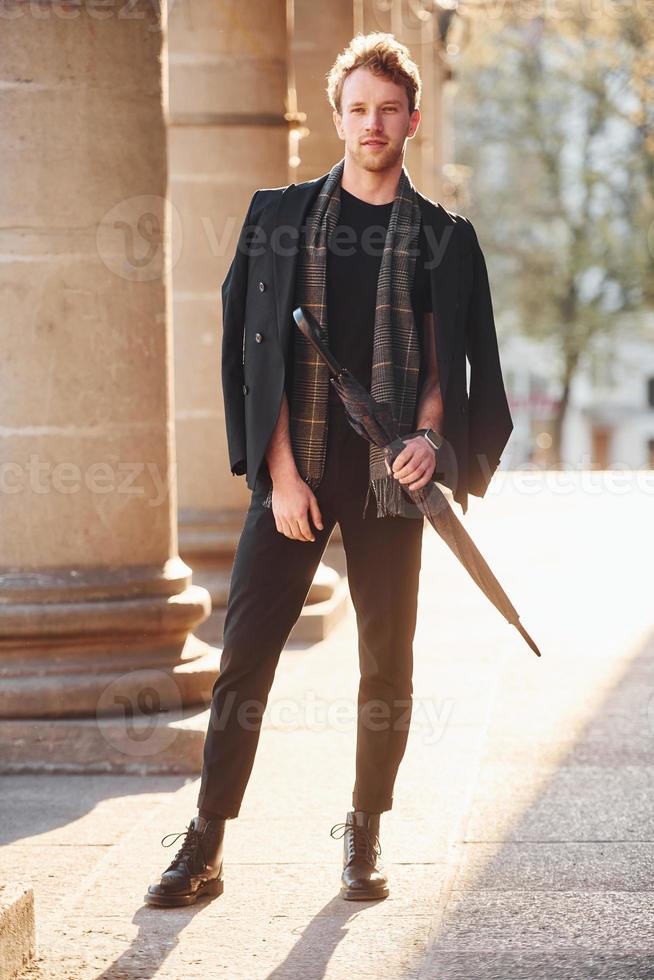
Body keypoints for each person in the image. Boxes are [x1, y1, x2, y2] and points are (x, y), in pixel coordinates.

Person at [146, 31, 513, 908]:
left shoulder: (445, 239)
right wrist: (277, 478)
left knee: (387, 663)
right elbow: (251, 355)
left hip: (394, 482)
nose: (372, 124)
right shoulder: (276, 218)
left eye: (389, 109)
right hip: (297, 468)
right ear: (338, 116)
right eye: (358, 108)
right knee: (244, 662)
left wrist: (434, 445)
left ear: (412, 119)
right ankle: (205, 841)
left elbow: (455, 365)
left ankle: (366, 829)